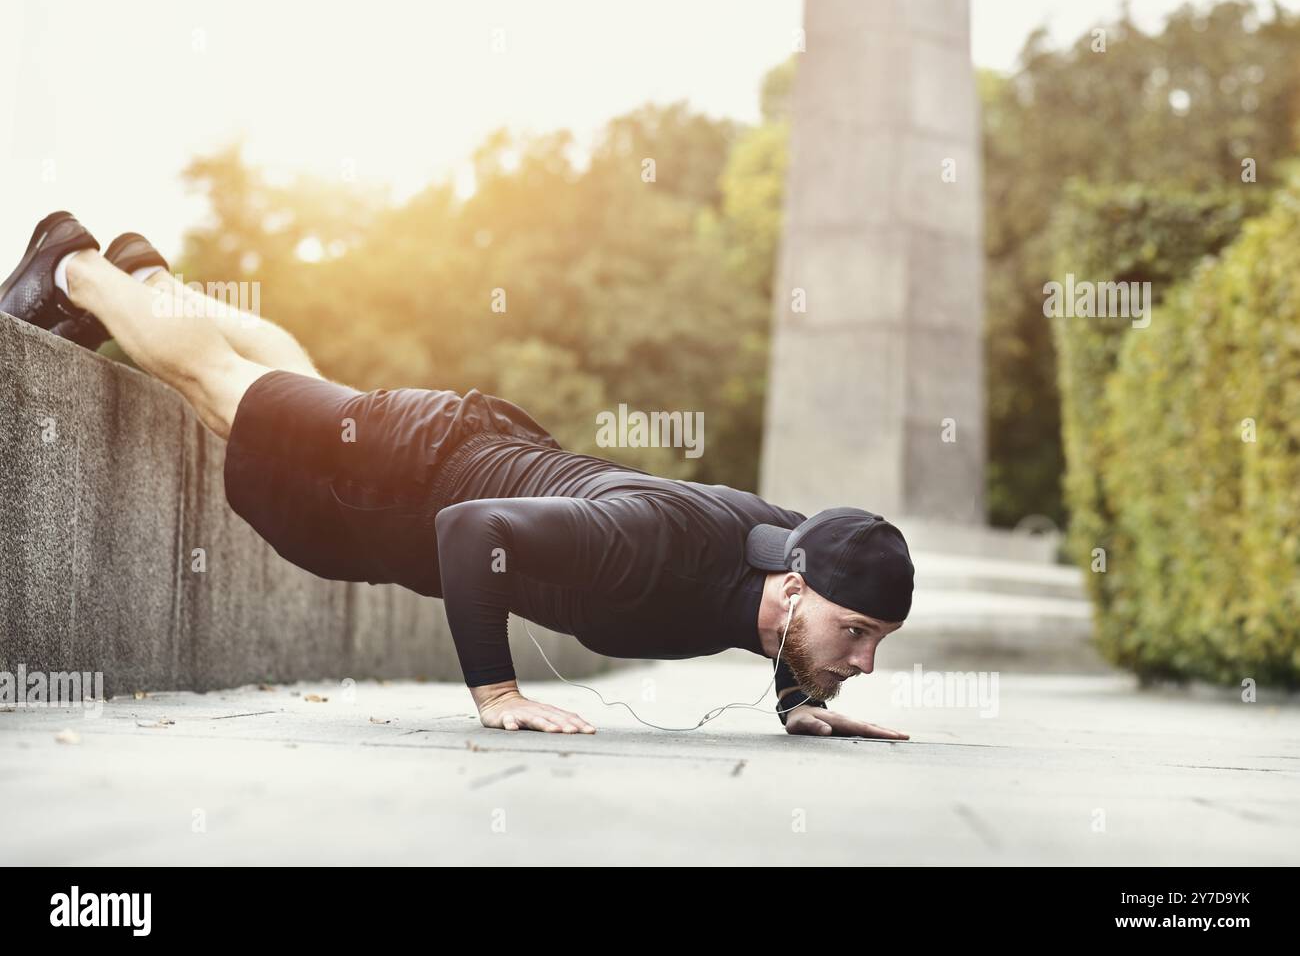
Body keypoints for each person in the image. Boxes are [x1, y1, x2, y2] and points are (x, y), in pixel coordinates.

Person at [1, 211, 916, 738]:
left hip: (459, 446)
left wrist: (805, 697)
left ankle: (148, 279)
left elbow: (821, 582)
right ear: (796, 587)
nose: (866, 660)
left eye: (869, 639)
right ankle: (74, 265)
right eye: (858, 633)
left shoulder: (784, 547)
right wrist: (497, 691)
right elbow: (472, 532)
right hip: (419, 467)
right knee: (223, 392)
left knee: (292, 387)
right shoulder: (653, 543)